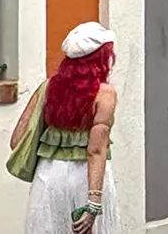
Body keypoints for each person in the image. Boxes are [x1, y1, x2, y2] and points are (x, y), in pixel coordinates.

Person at [15, 22, 125, 234]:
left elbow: (18, 138)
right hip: (85, 178)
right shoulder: (105, 94)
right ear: (101, 58)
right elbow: (96, 150)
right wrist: (93, 204)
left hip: (48, 176)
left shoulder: (48, 87)